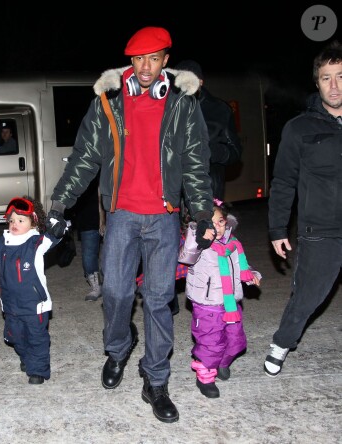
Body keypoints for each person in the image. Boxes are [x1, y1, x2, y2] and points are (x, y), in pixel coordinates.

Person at [45, 26, 214, 423]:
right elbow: (84, 156)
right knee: (117, 294)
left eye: (154, 58)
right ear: (129, 61)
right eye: (138, 58)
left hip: (164, 218)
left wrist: (203, 214)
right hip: (121, 216)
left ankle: (155, 379)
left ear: (165, 61)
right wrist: (59, 205)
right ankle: (119, 349)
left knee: (159, 301)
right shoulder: (109, 103)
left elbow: (195, 162)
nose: (145, 67)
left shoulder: (182, 105)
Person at [264, 40, 342, 378]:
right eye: (327, 78)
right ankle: (282, 342)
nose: (335, 85)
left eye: (340, 76)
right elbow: (283, 182)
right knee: (309, 296)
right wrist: (278, 229)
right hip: (322, 230)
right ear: (317, 82)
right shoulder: (299, 128)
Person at [0, 196, 63, 384]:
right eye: (11, 220)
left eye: (20, 220)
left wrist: (59, 227)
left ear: (33, 222)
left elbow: (54, 237)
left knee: (37, 338)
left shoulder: (36, 243)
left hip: (35, 305)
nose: (14, 224)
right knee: (16, 337)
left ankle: (38, 371)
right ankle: (26, 356)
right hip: (11, 305)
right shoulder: (2, 244)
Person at [179, 200, 261, 398]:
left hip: (231, 304)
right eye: (212, 223)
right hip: (207, 307)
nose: (218, 227)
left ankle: (222, 362)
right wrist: (197, 234)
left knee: (236, 341)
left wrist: (253, 275)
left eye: (221, 222)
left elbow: (242, 269)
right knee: (210, 344)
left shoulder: (233, 246)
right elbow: (186, 256)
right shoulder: (199, 246)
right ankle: (205, 376)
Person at [174, 60, 243, 201]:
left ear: (200, 81)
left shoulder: (219, 110)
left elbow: (235, 152)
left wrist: (214, 152)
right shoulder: (165, 109)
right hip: (172, 193)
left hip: (207, 190)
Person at [69, 174, 105, 302]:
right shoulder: (80, 167)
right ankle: (96, 287)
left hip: (111, 212)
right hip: (87, 214)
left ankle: (114, 285)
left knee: (114, 254)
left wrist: (102, 217)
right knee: (88, 254)